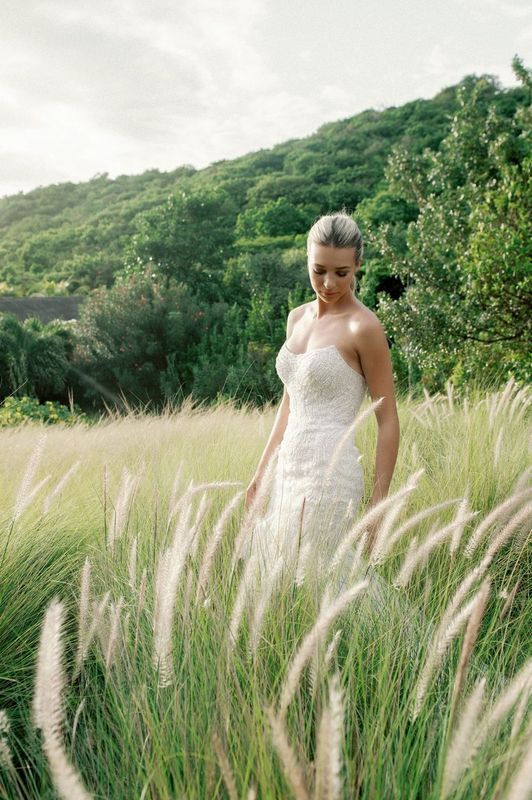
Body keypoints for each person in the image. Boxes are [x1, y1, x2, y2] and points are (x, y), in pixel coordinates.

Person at [244, 210, 400, 585]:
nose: (329, 283)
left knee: (328, 584)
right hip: (288, 470)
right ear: (308, 261)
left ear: (358, 264)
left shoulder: (364, 327)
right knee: (280, 584)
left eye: (341, 273)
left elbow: (388, 419)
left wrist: (376, 510)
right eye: (319, 270)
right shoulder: (296, 318)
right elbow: (289, 403)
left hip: (331, 475)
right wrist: (260, 474)